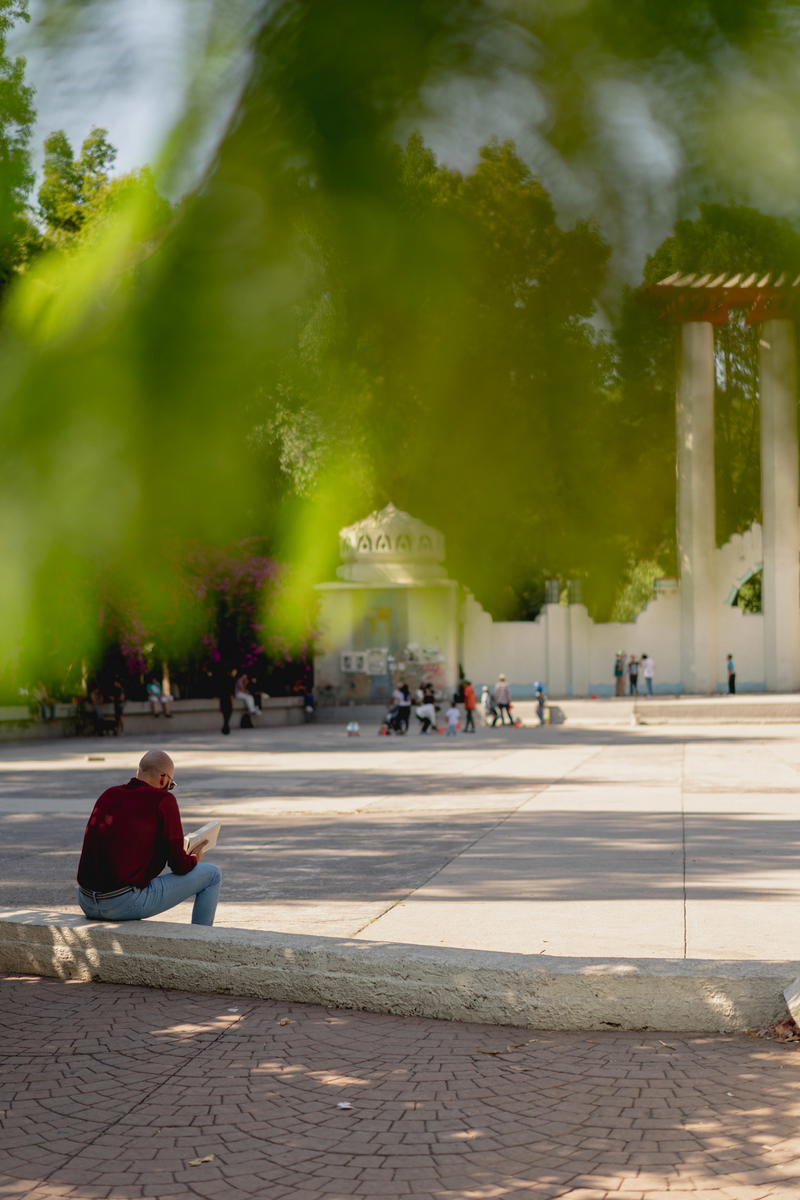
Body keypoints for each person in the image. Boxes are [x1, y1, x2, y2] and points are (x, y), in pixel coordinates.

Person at [76, 749, 221, 926]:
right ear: (163, 778)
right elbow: (179, 866)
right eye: (171, 784)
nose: (169, 788)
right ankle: (202, 941)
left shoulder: (109, 794)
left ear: (138, 772)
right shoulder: (163, 800)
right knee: (212, 874)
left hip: (86, 901)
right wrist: (193, 859)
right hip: (122, 903)